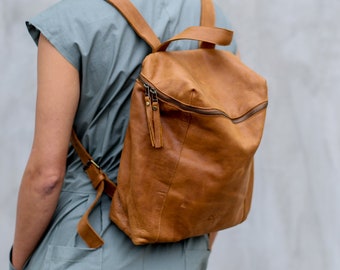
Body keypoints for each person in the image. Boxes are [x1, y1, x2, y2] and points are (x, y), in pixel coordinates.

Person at [10, 0, 237, 269]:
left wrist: (18, 261)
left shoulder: (71, 20)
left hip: (86, 244)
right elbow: (225, 160)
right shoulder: (214, 22)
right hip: (184, 247)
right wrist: (199, 247)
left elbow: (46, 176)